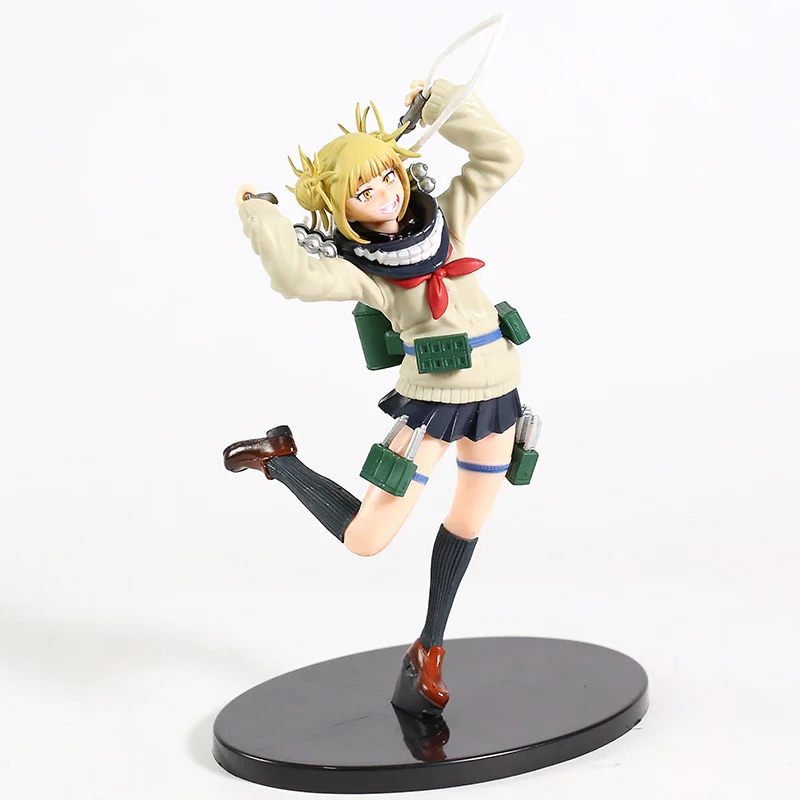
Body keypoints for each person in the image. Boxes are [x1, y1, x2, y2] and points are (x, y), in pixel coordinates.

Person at [225, 78, 525, 718]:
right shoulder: (367, 272)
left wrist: (441, 101)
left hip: (499, 399)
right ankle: (280, 459)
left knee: (469, 522)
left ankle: (429, 648)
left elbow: (501, 155)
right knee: (367, 538)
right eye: (363, 192)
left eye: (387, 176)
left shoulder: (447, 223)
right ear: (342, 211)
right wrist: (261, 212)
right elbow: (296, 276)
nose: (385, 193)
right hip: (433, 409)